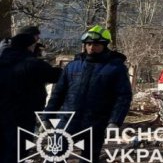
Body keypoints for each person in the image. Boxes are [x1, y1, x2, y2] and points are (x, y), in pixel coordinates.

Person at [46, 25, 132, 163]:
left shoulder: (116, 68)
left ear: (105, 46)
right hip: (68, 121)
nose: (91, 47)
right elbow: (58, 93)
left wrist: (114, 122)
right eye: (88, 44)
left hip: (96, 122)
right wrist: (48, 115)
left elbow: (123, 97)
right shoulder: (72, 66)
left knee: (89, 159)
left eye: (96, 44)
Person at [0, 33, 62, 163]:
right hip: (23, 114)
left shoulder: (3, 60)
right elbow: (55, 75)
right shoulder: (32, 63)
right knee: (18, 150)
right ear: (30, 46)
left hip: (4, 110)